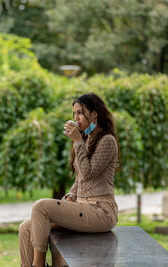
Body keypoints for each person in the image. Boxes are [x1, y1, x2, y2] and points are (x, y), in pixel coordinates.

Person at [19, 92, 120, 267]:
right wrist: (71, 195)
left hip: (101, 211)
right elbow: (80, 179)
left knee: (40, 206)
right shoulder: (86, 140)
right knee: (25, 228)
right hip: (80, 206)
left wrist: (77, 141)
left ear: (94, 114)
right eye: (74, 114)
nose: (76, 118)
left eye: (80, 112)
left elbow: (89, 173)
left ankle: (38, 265)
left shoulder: (107, 141)